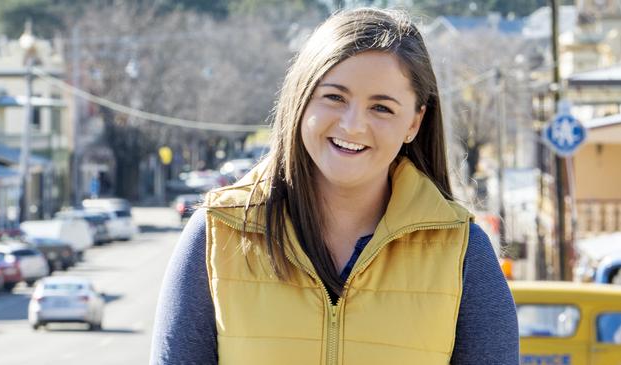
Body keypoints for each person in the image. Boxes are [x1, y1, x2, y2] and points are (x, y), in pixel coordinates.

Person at [151, 7, 519, 365]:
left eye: (382, 108)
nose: (352, 125)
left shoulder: (462, 252)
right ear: (301, 97)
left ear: (414, 122)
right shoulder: (218, 233)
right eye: (335, 97)